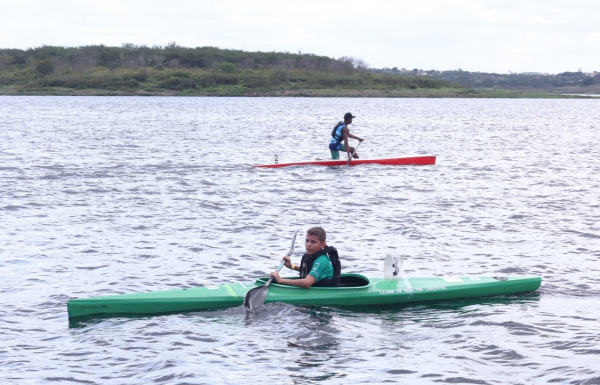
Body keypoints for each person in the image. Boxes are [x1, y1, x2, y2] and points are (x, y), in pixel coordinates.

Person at [270, 227, 341, 288]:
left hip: (324, 292)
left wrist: (281, 280)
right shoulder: (313, 256)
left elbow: (307, 283)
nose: (308, 244)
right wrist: (291, 266)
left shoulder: (321, 260)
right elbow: (307, 269)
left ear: (323, 245)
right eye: (307, 241)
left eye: (313, 242)